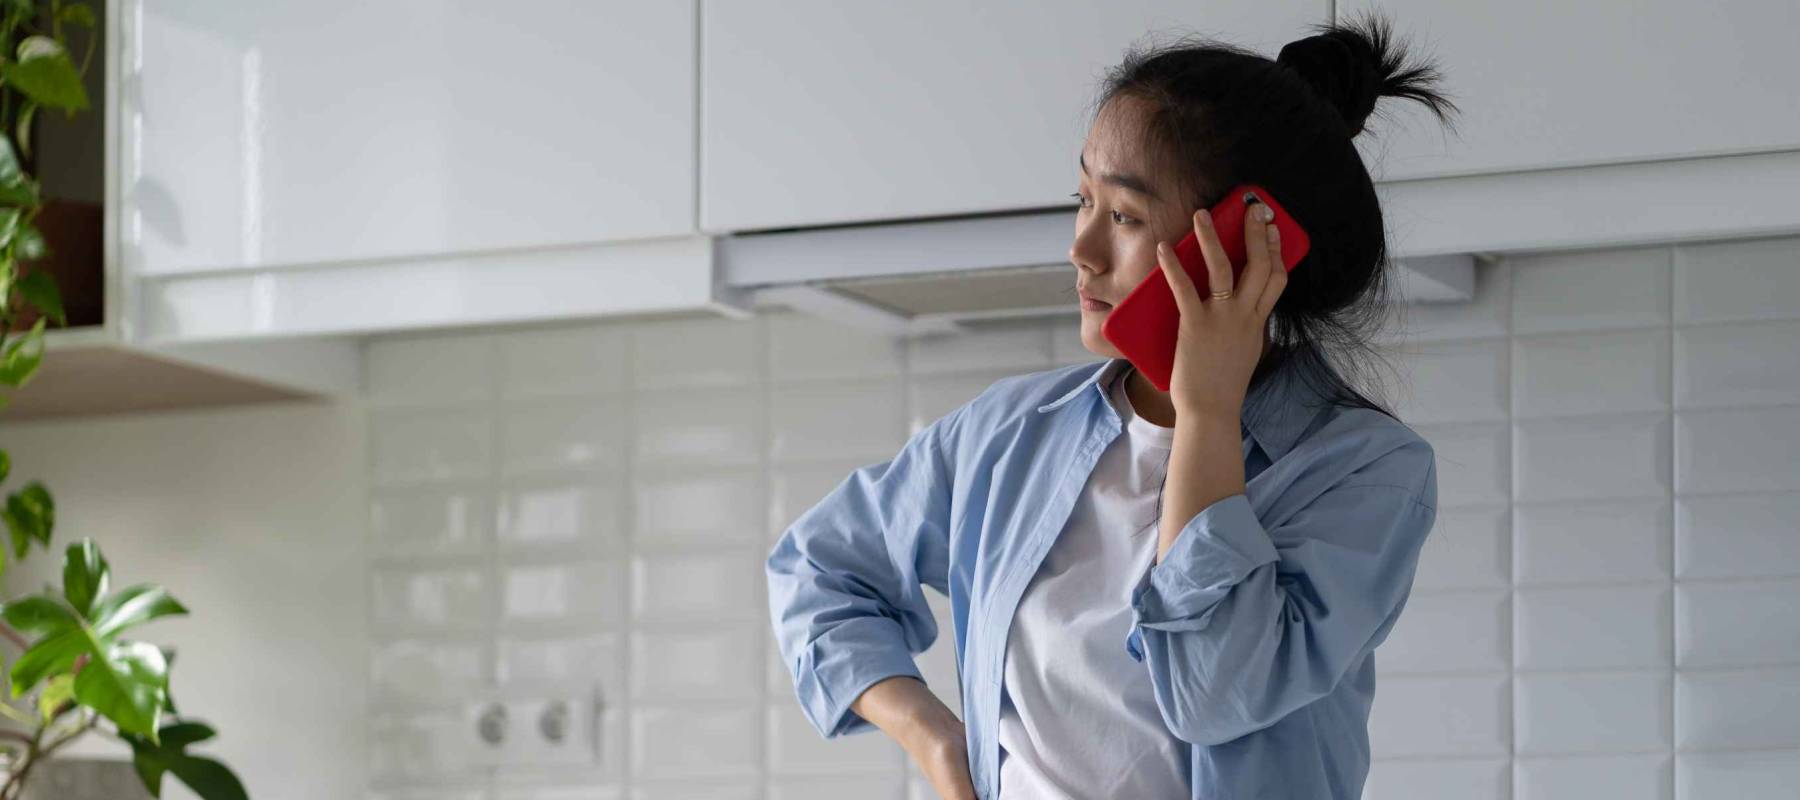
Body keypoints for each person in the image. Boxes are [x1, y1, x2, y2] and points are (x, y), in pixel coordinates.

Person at [766, 9, 1461, 799]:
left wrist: (1206, 416)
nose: (1081, 249)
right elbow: (818, 570)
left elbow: (1214, 692)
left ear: (1246, 242)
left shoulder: (1364, 471)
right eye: (1083, 199)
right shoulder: (1005, 434)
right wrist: (934, 737)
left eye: (1125, 216)